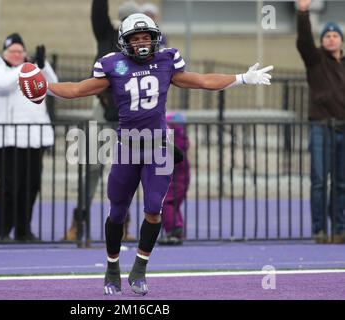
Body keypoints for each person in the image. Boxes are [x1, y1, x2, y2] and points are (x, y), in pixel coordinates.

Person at [47, 13, 273, 295]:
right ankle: (112, 266)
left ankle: (140, 268)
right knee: (117, 211)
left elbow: (202, 81)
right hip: (128, 146)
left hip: (158, 146)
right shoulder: (112, 64)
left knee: (154, 208)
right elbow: (78, 89)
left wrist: (242, 78)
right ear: (125, 42)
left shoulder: (166, 61)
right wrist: (45, 87)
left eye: (146, 37)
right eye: (135, 38)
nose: (141, 42)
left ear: (154, 39)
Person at [62, 0, 140, 242]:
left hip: (129, 113)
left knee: (127, 171)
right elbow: (99, 12)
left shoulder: (140, 44)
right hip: (102, 109)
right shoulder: (107, 34)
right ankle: (79, 222)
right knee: (92, 167)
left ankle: (123, 223)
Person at [0, 33, 58, 243]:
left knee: (31, 185)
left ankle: (24, 230)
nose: (17, 55)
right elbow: (2, 84)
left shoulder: (30, 68)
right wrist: (28, 67)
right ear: (4, 52)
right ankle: (3, 230)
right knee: (9, 186)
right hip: (6, 139)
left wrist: (43, 65)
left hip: (34, 138)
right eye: (13, 51)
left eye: (20, 51)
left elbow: (53, 86)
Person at [296, 0, 345, 244]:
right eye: (327, 35)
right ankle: (319, 230)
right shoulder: (316, 61)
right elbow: (304, 42)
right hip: (321, 127)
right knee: (318, 181)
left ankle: (339, 228)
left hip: (343, 129)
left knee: (341, 183)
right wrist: (303, 12)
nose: (331, 38)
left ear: (342, 41)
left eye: (336, 35)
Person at [158, 112, 190, 246]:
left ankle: (173, 230)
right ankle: (177, 229)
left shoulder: (173, 139)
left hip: (176, 179)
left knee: (166, 203)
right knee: (173, 204)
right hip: (181, 178)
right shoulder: (181, 139)